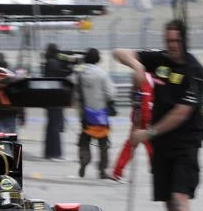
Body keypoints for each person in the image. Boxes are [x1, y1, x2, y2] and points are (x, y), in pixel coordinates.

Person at [113, 19, 203, 211]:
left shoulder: (196, 72)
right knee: (167, 200)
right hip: (162, 144)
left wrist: (148, 133)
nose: (172, 44)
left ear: (185, 40)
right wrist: (136, 65)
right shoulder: (160, 60)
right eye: (168, 40)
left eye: (176, 40)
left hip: (185, 143)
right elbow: (119, 52)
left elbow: (181, 113)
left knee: (179, 198)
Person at [75, 48, 117, 179]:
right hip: (100, 115)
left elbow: (74, 91)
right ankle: (102, 170)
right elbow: (111, 93)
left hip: (85, 114)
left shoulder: (79, 73)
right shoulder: (102, 74)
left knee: (84, 140)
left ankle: (84, 160)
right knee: (103, 144)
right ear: (98, 59)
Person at [111, 72, 154, 182]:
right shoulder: (145, 77)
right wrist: (147, 119)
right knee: (151, 148)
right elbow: (145, 100)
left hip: (139, 118)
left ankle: (117, 171)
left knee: (130, 146)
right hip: (143, 120)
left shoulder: (142, 76)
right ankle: (158, 172)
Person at [43, 43, 66, 161]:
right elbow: (62, 76)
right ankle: (55, 153)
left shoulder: (48, 62)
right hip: (56, 99)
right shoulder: (54, 63)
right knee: (55, 127)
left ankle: (49, 153)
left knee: (51, 126)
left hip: (49, 99)